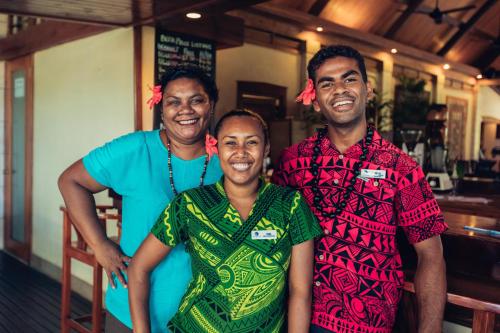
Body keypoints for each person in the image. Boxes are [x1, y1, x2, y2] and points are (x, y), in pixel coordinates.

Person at [272, 45, 447, 333]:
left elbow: (431, 254)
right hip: (294, 319)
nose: (339, 89)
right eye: (327, 83)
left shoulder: (401, 167)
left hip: (366, 324)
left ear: (368, 90)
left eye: (349, 79)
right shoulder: (292, 162)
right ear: (316, 100)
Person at [58, 65, 223, 332]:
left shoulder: (228, 158)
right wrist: (99, 244)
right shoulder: (137, 148)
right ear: (161, 107)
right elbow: (70, 180)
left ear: (212, 104)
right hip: (131, 314)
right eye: (174, 102)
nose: (186, 110)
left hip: (205, 317)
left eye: (197, 100)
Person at [128, 109, 323, 333]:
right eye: (230, 143)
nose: (241, 152)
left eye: (252, 142)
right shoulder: (190, 204)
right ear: (216, 148)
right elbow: (138, 268)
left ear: (266, 148)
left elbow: (300, 292)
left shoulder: (290, 205)